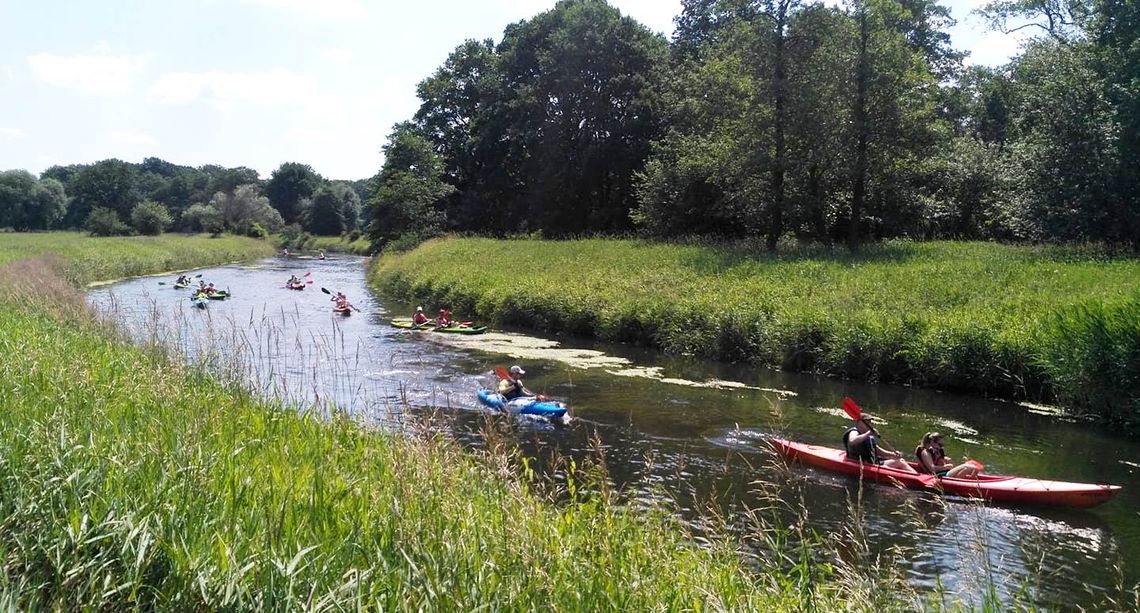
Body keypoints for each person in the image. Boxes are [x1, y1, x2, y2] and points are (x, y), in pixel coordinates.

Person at [843, 415, 918, 473]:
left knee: (900, 461)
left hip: (873, 463)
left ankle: (917, 476)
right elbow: (852, 441)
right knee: (889, 468)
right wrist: (868, 433)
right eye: (867, 422)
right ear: (858, 422)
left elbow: (877, 451)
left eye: (870, 422)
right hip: (859, 463)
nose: (869, 424)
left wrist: (893, 454)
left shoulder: (867, 435)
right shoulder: (854, 432)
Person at [915, 432, 979, 479]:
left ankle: (966, 484)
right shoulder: (925, 452)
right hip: (938, 476)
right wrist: (946, 467)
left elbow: (939, 461)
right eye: (940, 445)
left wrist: (945, 460)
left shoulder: (935, 452)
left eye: (942, 446)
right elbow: (932, 469)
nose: (940, 448)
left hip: (944, 474)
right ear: (932, 442)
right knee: (968, 467)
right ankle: (963, 484)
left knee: (974, 468)